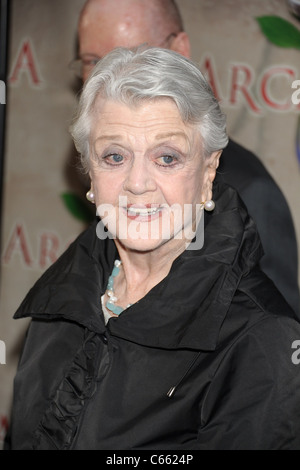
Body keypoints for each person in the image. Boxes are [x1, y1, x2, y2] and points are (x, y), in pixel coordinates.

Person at [5, 46, 300, 450]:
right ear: (89, 171)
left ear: (208, 171)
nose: (137, 183)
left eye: (166, 157)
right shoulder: (63, 302)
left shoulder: (261, 339)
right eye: (114, 156)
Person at [73, 0, 300, 315]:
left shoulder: (251, 193)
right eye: (93, 60)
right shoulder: (71, 276)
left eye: (133, 55)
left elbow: (278, 335)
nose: (112, 77)